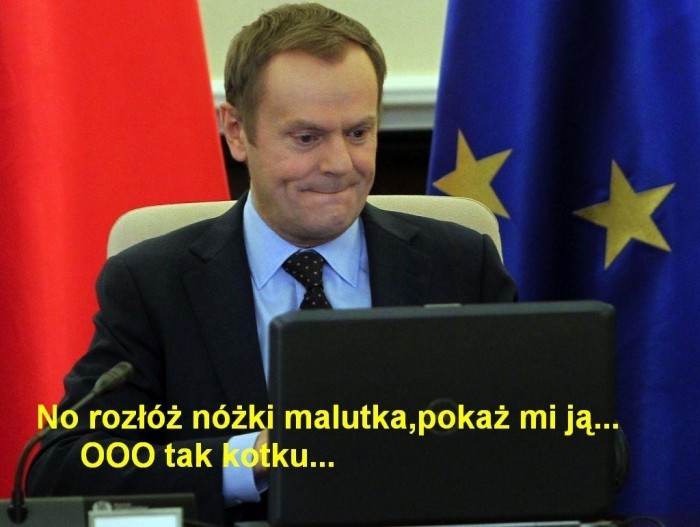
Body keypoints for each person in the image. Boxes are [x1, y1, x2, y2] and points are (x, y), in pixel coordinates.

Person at [27, 3, 517, 525]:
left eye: (358, 133)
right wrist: (253, 457)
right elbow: (64, 469)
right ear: (238, 131)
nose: (339, 164)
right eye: (306, 138)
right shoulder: (154, 284)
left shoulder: (459, 264)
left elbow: (552, 434)